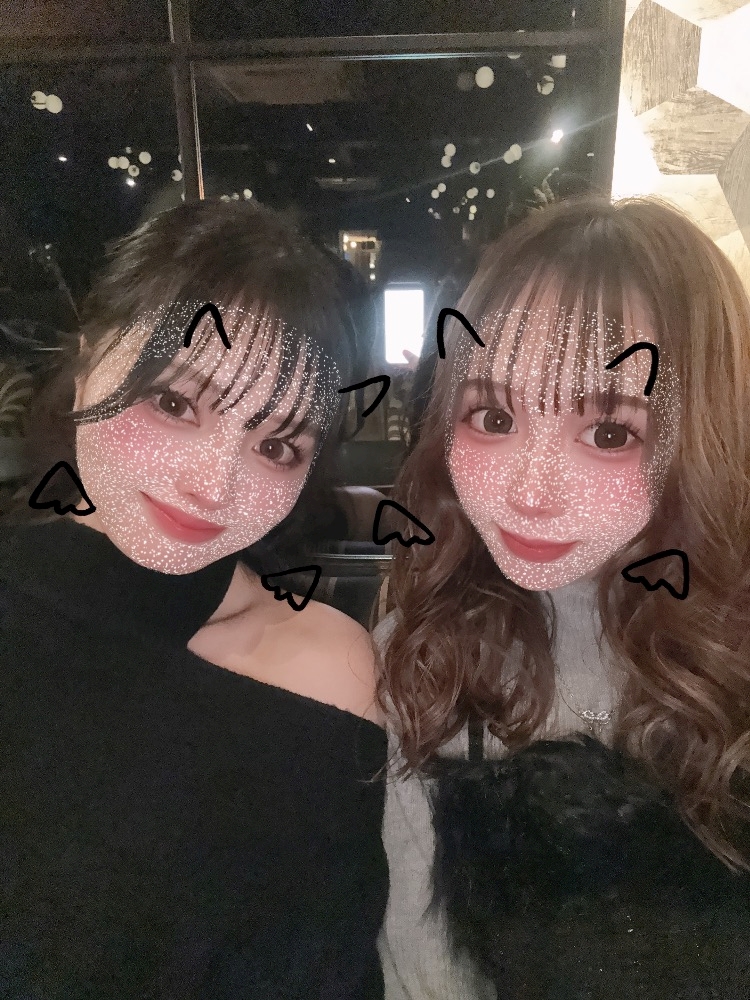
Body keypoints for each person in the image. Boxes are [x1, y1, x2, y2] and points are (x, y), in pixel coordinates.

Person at [0, 199, 388, 998]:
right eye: (174, 403)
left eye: (276, 445)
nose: (213, 485)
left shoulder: (316, 672)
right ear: (86, 363)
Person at [372, 195, 750, 998]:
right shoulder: (428, 647)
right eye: (493, 416)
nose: (530, 493)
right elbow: (424, 975)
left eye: (609, 433)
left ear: (706, 435)